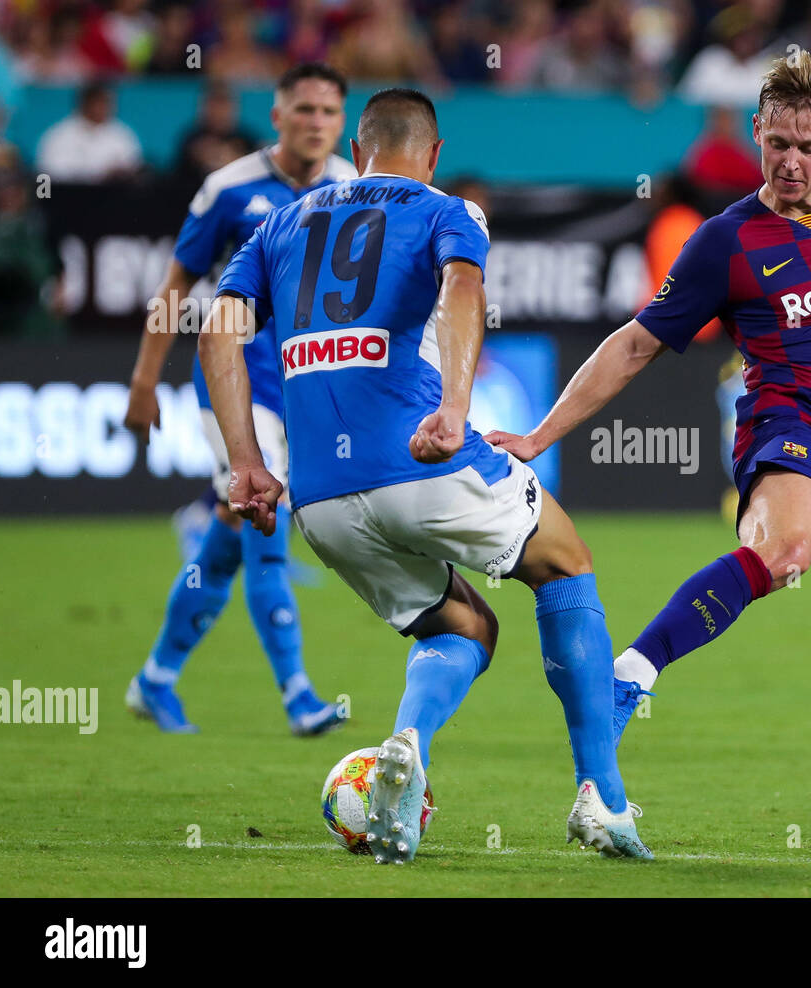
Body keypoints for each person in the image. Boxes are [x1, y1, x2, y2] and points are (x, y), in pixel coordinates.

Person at [488, 52, 811, 859]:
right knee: (782, 552)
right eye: (777, 141)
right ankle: (630, 675)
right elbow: (637, 343)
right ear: (755, 131)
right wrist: (541, 436)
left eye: (809, 147)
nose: (791, 161)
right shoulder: (726, 241)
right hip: (782, 431)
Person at [201, 87, 651, 864]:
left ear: (357, 143)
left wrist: (246, 463)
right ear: (433, 153)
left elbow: (219, 328)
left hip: (321, 502)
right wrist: (454, 409)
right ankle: (602, 799)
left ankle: (406, 742)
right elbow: (464, 289)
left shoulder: (279, 223)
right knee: (566, 563)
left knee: (462, 623)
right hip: (419, 456)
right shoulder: (449, 210)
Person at [122, 63, 355, 735]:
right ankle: (300, 695)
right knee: (266, 510)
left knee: (231, 530)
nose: (315, 122)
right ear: (277, 116)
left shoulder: (352, 189)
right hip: (233, 383)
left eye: (328, 112)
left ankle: (155, 679)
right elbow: (174, 287)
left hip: (306, 385)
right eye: (303, 109)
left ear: (342, 123)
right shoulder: (228, 189)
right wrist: (143, 380)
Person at [34, 81, 142, 183]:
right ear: (84, 104)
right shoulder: (59, 136)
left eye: (108, 103)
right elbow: (48, 175)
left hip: (113, 198)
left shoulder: (122, 134)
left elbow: (134, 169)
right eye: (99, 103)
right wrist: (97, 174)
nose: (104, 108)